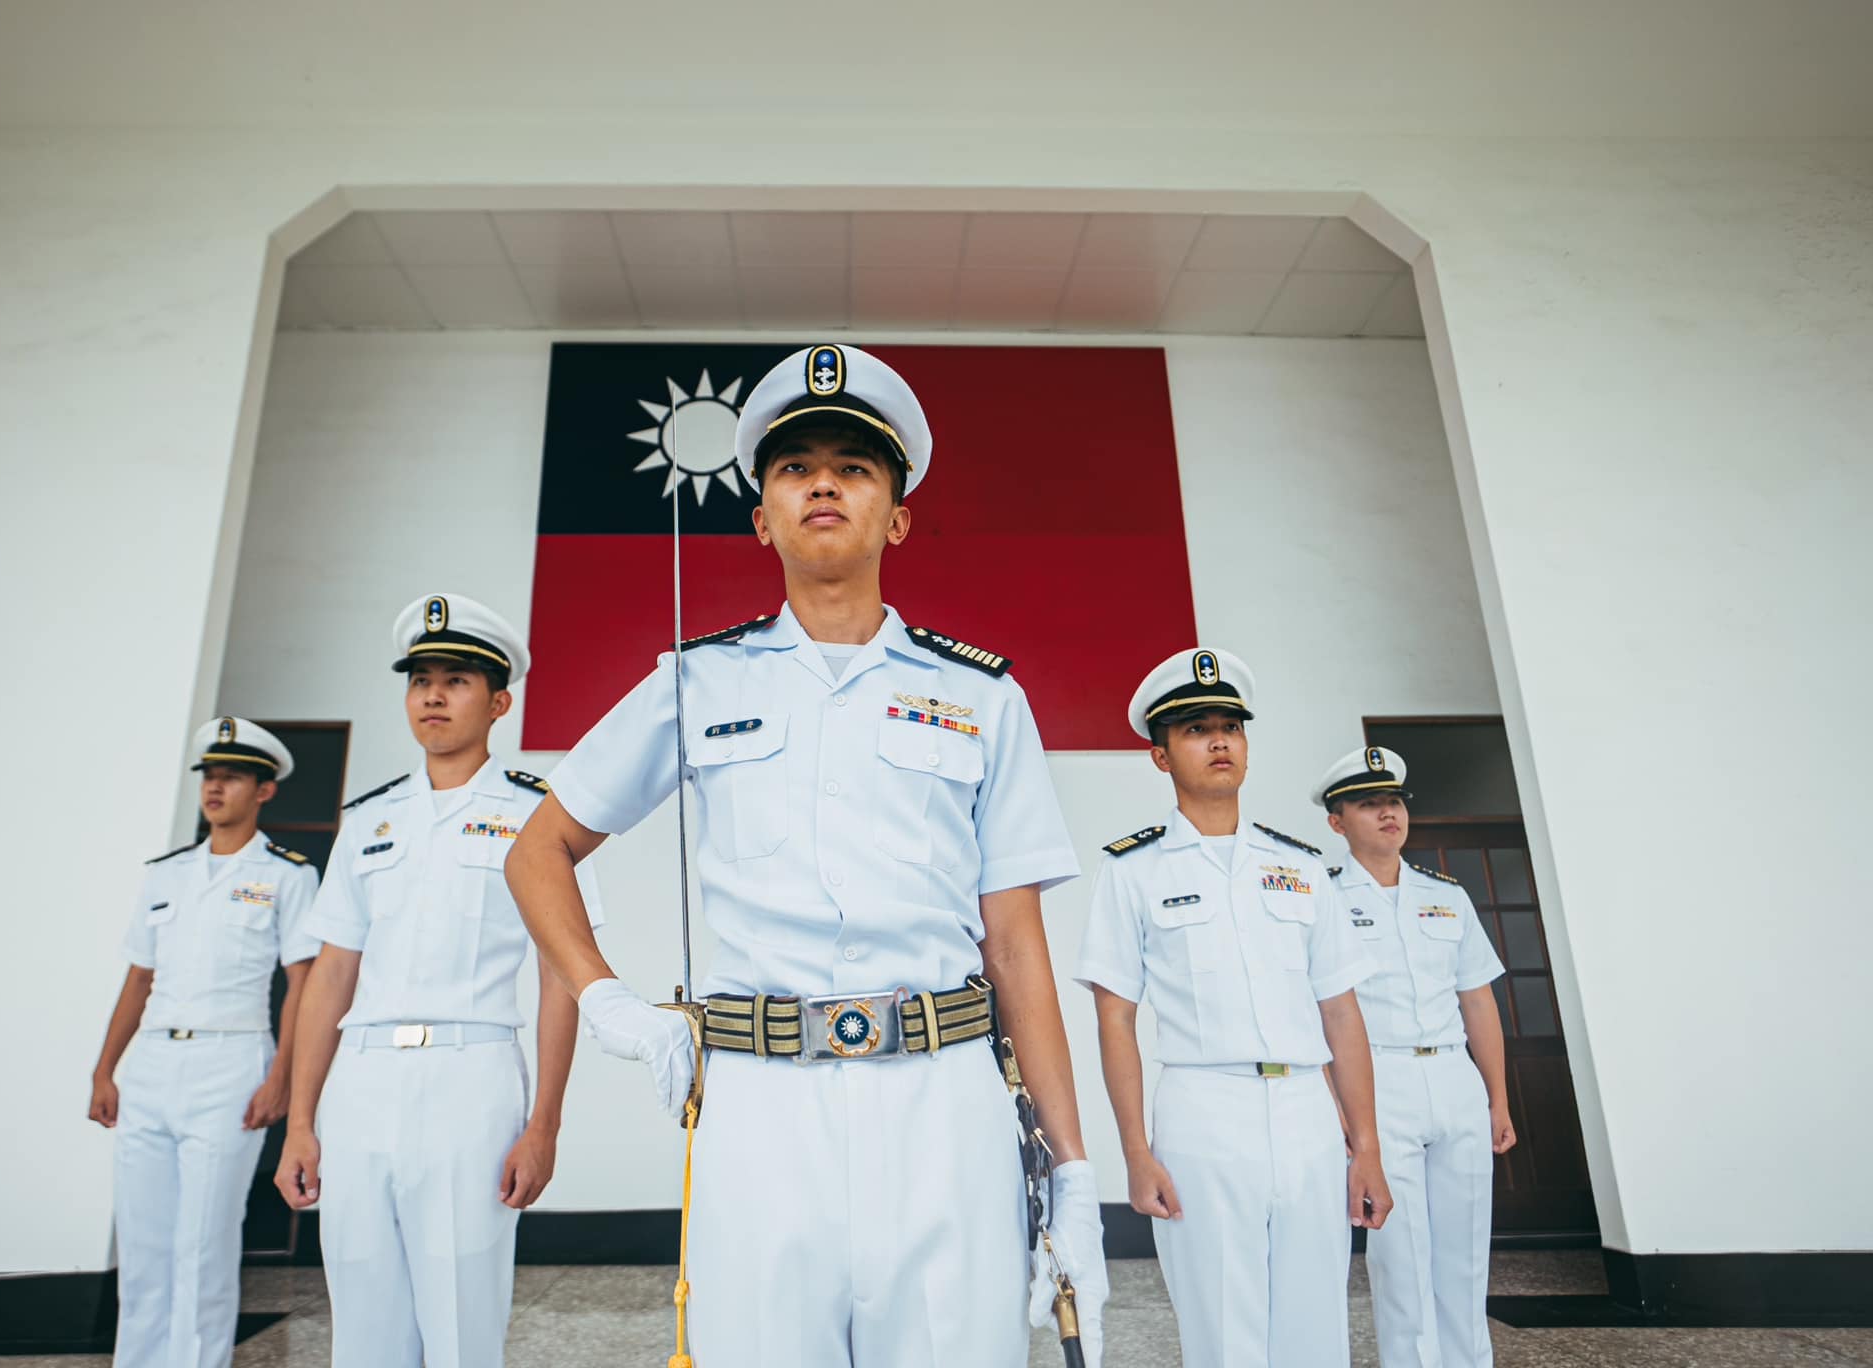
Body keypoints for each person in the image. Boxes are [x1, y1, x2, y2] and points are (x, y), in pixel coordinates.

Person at [505, 343, 1108, 1366]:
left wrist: (1074, 1174)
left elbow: (1015, 946)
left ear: (896, 517)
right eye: (795, 468)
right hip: (759, 1104)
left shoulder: (980, 698)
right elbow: (537, 850)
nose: (822, 484)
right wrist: (609, 1004)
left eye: (853, 467)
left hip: (944, 1100)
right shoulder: (698, 681)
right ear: (762, 517)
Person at [274, 594, 602, 1368]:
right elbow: (332, 975)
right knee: (362, 1322)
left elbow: (562, 975)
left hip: (471, 1078)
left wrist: (545, 1124)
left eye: (456, 680)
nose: (432, 695)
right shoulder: (369, 820)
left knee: (461, 1323)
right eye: (420, 679)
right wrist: (300, 1122)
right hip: (361, 1083)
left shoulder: (538, 818)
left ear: (499, 703)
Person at [1076, 648, 1393, 1367]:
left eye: (1230, 727)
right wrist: (1135, 1153)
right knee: (1225, 1333)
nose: (1219, 741)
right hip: (1203, 1111)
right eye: (1196, 729)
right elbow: (1115, 1018)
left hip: (1307, 1115)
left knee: (1317, 1330)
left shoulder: (1301, 867)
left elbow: (1342, 1013)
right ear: (1161, 756)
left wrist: (1368, 1148)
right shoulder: (1133, 871)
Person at [88, 716, 320, 1368]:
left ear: (264, 790)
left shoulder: (287, 874)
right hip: (153, 1063)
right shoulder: (165, 875)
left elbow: (303, 983)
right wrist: (105, 1070)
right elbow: (139, 978)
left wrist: (280, 1077)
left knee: (204, 1242)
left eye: (233, 777)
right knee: (143, 1243)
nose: (215, 788)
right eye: (210, 776)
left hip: (231, 1061)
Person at [1315, 744, 1514, 1368]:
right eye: (1368, 804)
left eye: (1394, 802)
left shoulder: (1446, 895)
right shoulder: (1322, 898)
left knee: (1466, 1251)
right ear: (1337, 822)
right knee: (1400, 1254)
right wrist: (1338, 1107)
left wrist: (1498, 1099)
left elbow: (1477, 999)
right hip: (1379, 1077)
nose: (1388, 814)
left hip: (1454, 1075)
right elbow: (1318, 1010)